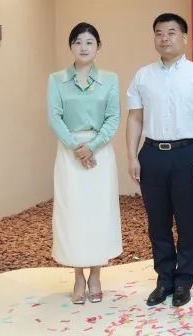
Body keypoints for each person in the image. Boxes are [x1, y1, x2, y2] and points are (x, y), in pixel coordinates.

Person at [126, 13, 193, 308]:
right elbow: (135, 118)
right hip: (151, 154)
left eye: (172, 32)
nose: (165, 38)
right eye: (159, 33)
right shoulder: (143, 75)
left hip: (187, 154)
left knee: (187, 222)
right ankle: (164, 278)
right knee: (157, 222)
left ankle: (184, 280)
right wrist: (132, 156)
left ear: (184, 37)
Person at [47, 22, 122, 305]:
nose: (84, 47)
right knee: (73, 212)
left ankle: (96, 274)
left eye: (90, 42)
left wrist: (91, 147)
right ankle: (78, 275)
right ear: (71, 46)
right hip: (69, 154)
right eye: (78, 42)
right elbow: (54, 117)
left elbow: (113, 117)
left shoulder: (110, 79)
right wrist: (75, 148)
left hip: (99, 153)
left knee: (98, 212)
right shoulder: (56, 80)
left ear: (98, 47)